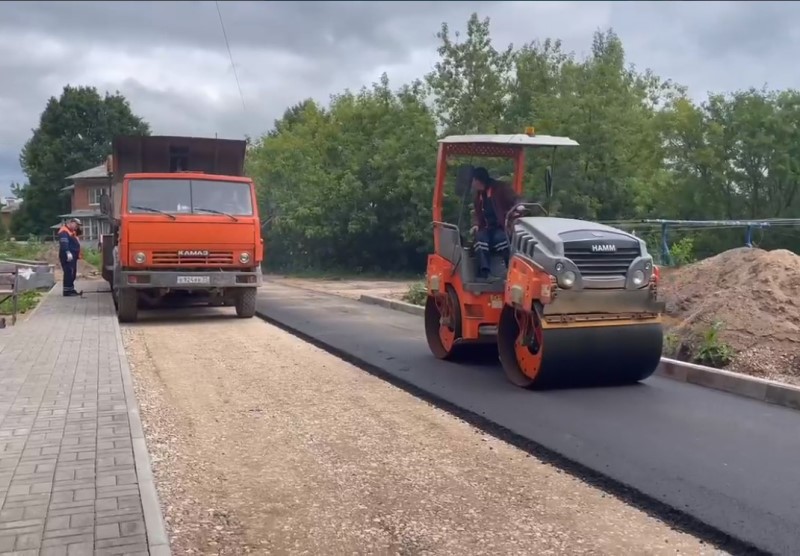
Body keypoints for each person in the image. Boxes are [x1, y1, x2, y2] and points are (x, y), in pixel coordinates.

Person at [470, 167, 518, 281]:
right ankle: (485, 273)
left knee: (501, 239)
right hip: (486, 228)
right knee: (480, 239)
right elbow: (477, 214)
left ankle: (510, 270)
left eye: (473, 180)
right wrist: (476, 224)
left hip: (500, 226)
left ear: (478, 180)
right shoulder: (478, 197)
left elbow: (515, 199)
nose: (471, 184)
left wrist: (519, 207)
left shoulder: (500, 189)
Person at [57, 218, 81, 296]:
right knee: (68, 272)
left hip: (72, 255)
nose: (77, 227)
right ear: (71, 223)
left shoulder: (71, 231)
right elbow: (64, 243)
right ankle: (67, 291)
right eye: (76, 225)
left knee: (72, 272)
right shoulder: (64, 231)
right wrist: (67, 252)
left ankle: (71, 289)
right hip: (67, 255)